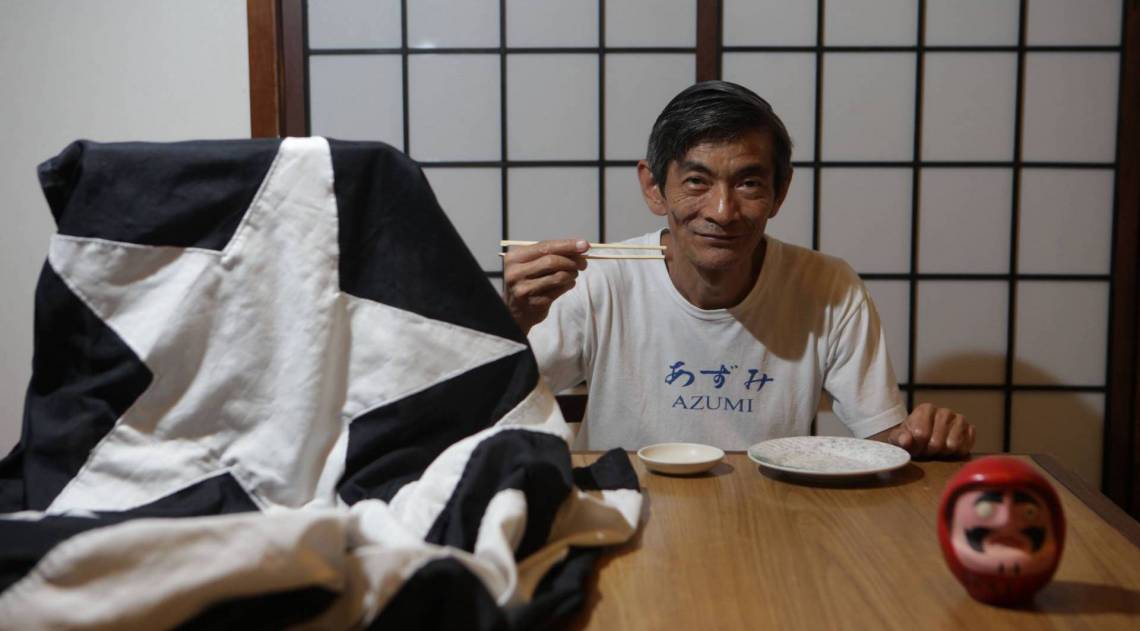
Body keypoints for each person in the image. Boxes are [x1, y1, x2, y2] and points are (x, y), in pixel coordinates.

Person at [503, 80, 974, 457]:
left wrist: (925, 439)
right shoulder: (598, 280)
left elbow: (882, 442)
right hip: (626, 511)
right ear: (654, 187)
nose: (723, 211)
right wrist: (512, 323)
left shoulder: (828, 287)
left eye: (749, 182)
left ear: (780, 191)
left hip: (770, 516)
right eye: (697, 182)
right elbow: (495, 407)